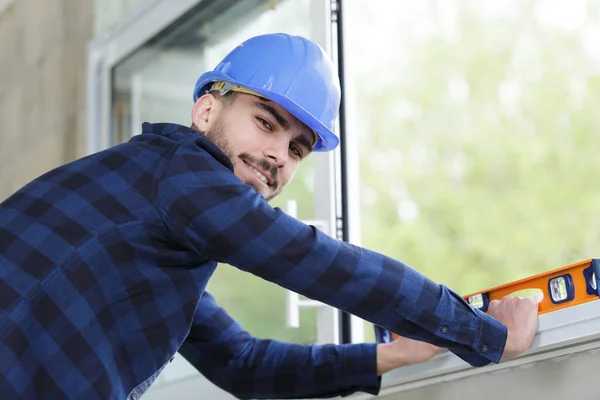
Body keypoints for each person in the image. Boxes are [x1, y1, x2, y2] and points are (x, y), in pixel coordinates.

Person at [0, 33, 539, 399]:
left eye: (298, 148)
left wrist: (387, 358)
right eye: (265, 122)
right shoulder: (181, 173)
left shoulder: (160, 234)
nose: (280, 155)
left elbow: (243, 364)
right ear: (206, 109)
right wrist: (487, 336)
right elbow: (320, 263)